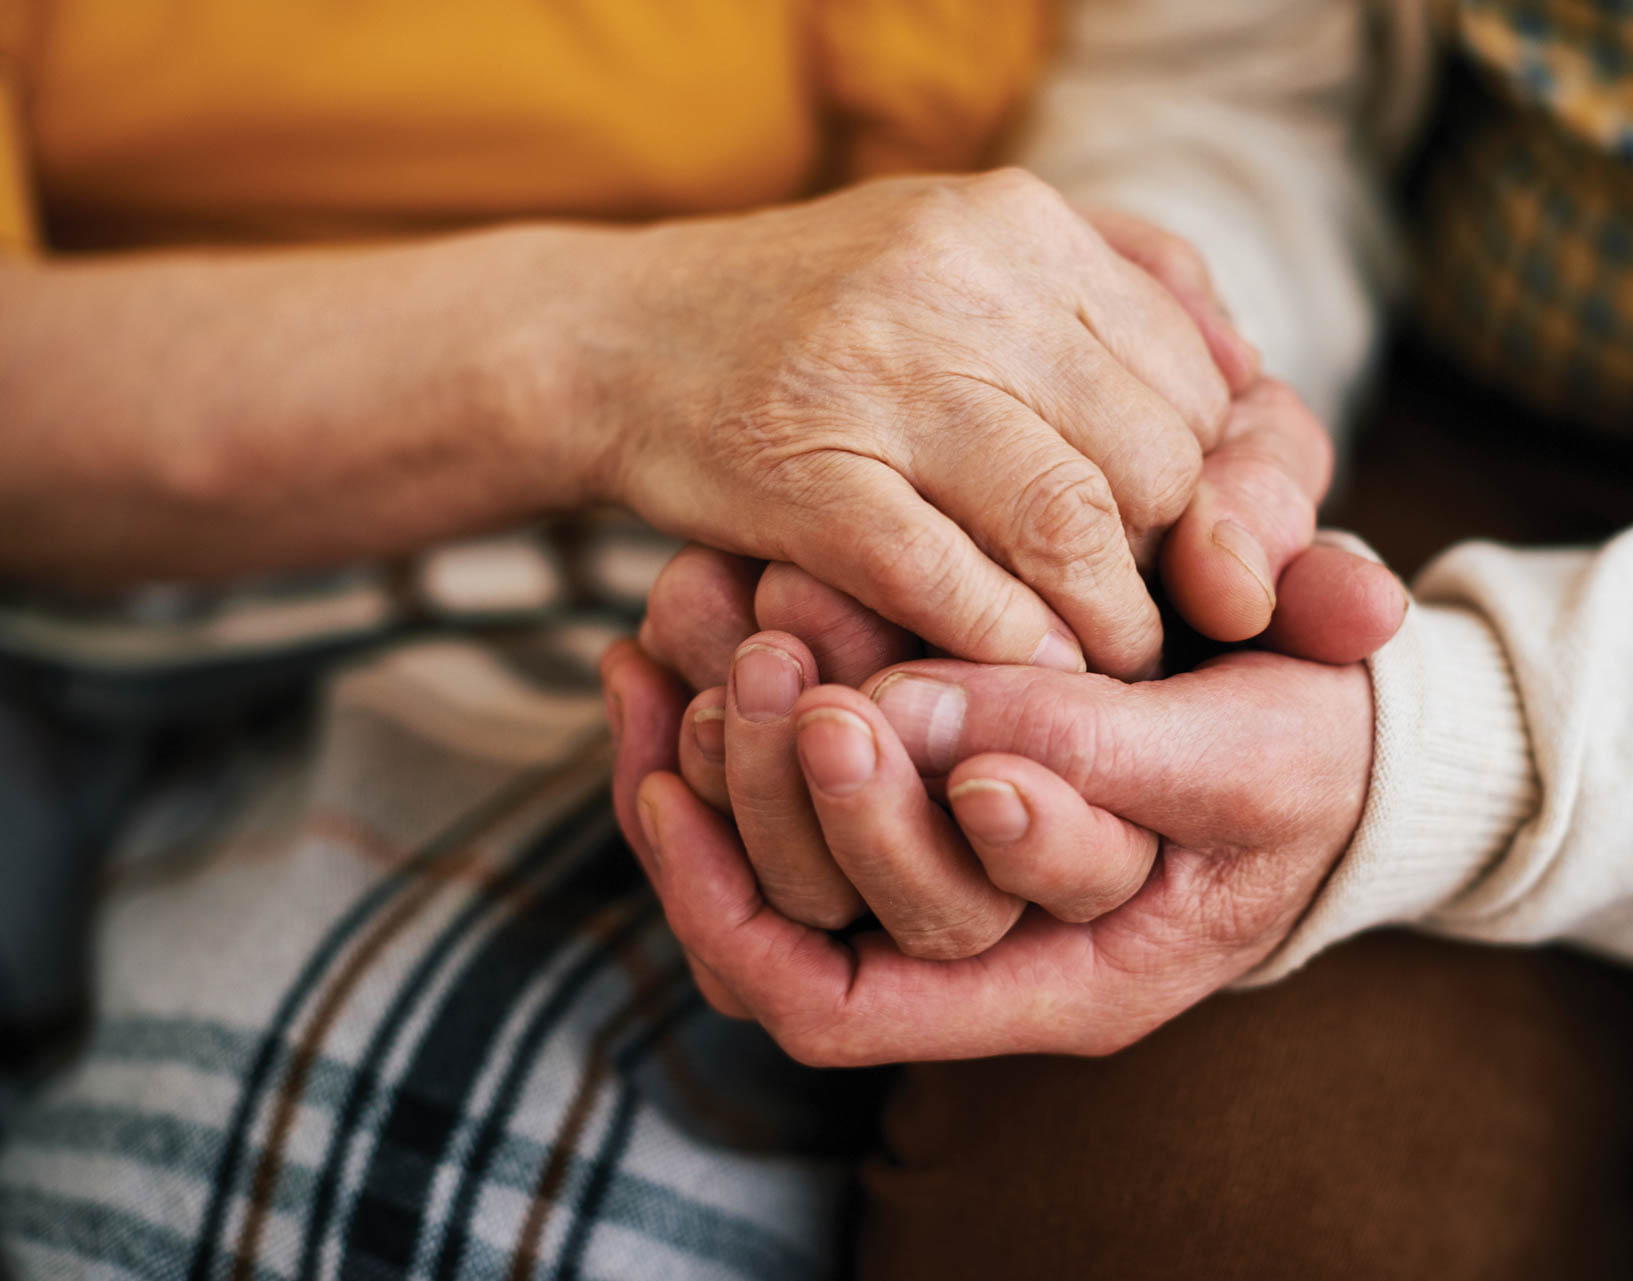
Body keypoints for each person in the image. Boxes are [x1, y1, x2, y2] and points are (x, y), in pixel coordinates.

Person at [0, 2, 1408, 1278]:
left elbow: (1219, 114)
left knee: (383, 1191)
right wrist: (625, 347)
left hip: (711, 526)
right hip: (196, 464)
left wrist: (1106, 397)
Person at [599, 0, 1633, 1275]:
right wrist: (1132, 418)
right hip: (1465, 432)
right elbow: (1232, 89)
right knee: (1175, 1220)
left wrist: (1450, 752)